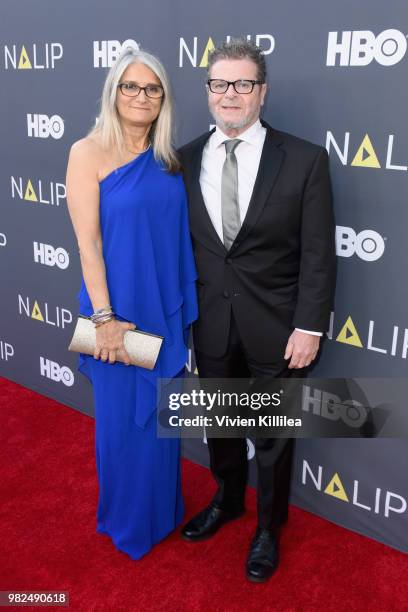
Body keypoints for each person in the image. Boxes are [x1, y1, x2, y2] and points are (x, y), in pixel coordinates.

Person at [179, 39, 336, 582]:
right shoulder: (185, 157)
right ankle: (228, 501)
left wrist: (310, 325)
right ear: (208, 92)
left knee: (271, 434)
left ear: (261, 93)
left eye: (243, 84)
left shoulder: (305, 159)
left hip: (280, 328)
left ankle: (269, 526)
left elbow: (318, 253)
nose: (230, 94)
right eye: (219, 84)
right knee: (221, 425)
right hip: (211, 324)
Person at [66, 47, 198, 560]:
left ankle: (162, 512)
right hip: (116, 313)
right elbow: (88, 243)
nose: (141, 96)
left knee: (162, 420)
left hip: (163, 309)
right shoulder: (88, 151)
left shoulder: (169, 158)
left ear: (163, 97)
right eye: (131, 87)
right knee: (125, 422)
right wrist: (104, 318)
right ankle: (127, 520)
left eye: (152, 88)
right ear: (114, 92)